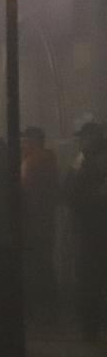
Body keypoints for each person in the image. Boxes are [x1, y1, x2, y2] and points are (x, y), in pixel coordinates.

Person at [66, 123, 106, 340]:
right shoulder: (85, 158)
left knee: (90, 279)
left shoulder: (89, 160)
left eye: (83, 137)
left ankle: (89, 327)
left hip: (92, 228)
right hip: (90, 227)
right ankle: (90, 326)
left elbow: (71, 192)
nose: (81, 141)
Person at [20, 127, 60, 320]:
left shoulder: (38, 161)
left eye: (26, 139)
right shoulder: (38, 159)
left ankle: (45, 307)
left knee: (39, 263)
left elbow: (31, 191)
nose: (23, 143)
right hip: (39, 219)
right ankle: (46, 306)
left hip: (36, 220)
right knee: (40, 263)